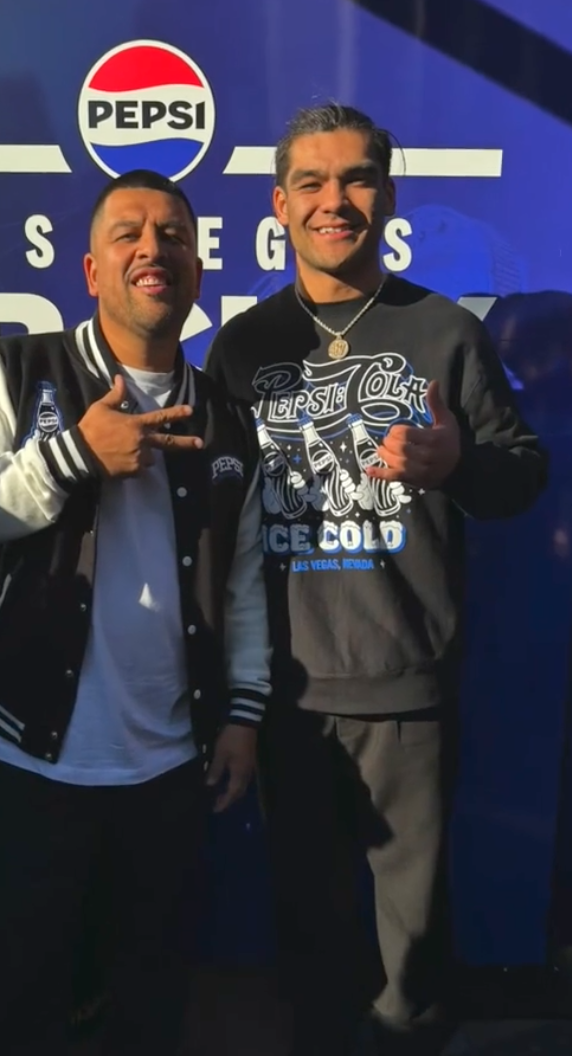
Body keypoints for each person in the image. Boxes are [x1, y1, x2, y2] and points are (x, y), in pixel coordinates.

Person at [204, 104, 549, 1056]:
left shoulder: (445, 331)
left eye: (356, 179)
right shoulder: (243, 346)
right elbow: (219, 523)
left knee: (413, 966)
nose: (335, 200)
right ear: (280, 203)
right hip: (287, 697)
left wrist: (458, 464)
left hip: (408, 688)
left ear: (388, 195)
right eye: (311, 183)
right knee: (309, 949)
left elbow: (523, 475)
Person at [0, 169, 271, 1056]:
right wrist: (71, 454)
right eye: (129, 234)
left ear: (197, 270)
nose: (154, 249)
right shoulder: (14, 371)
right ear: (91, 270)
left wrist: (243, 715)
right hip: (33, 772)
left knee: (148, 1012)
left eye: (174, 235)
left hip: (171, 775)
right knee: (19, 1016)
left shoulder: (229, 418)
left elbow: (244, 585)